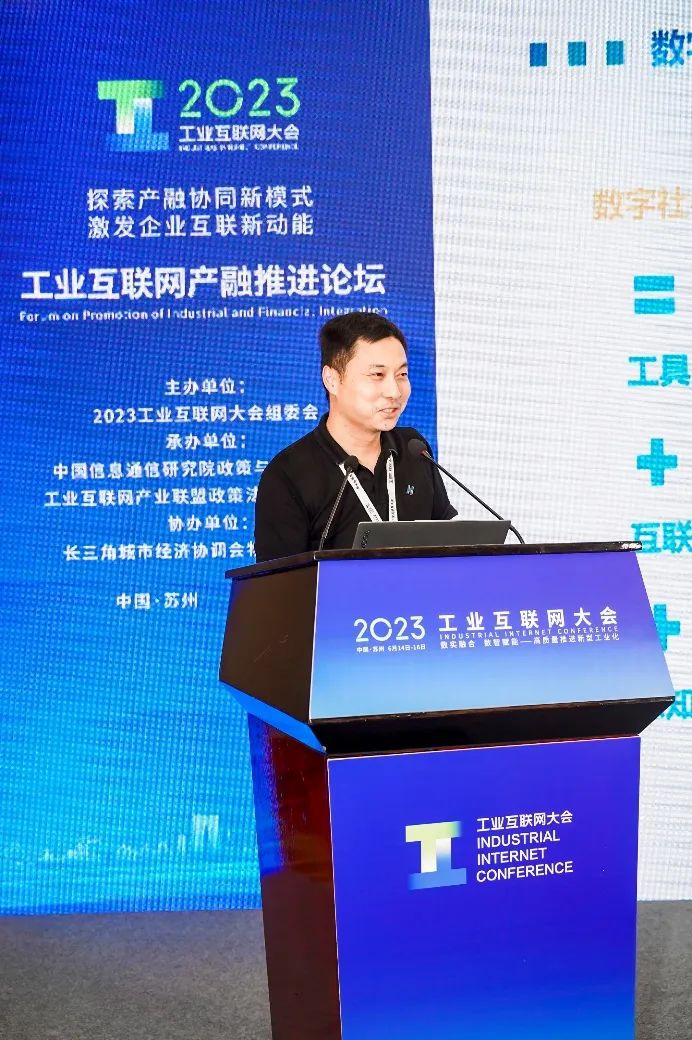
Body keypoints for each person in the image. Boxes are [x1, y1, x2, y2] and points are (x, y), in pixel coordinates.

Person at [254, 311, 457, 561]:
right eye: (377, 375)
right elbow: (277, 582)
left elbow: (447, 550)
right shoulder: (288, 474)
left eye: (402, 375)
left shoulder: (414, 449)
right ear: (332, 380)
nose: (394, 391)